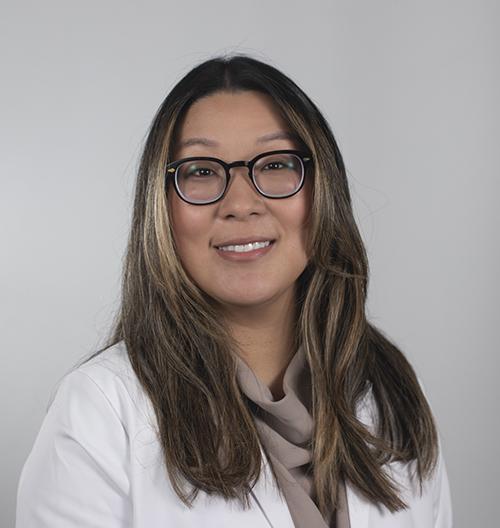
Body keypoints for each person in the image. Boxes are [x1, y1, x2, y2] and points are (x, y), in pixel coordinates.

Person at [15, 54, 453, 528]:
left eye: (276, 164)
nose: (241, 204)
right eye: (202, 171)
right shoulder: (99, 412)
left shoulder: (391, 390)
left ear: (322, 190)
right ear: (161, 207)